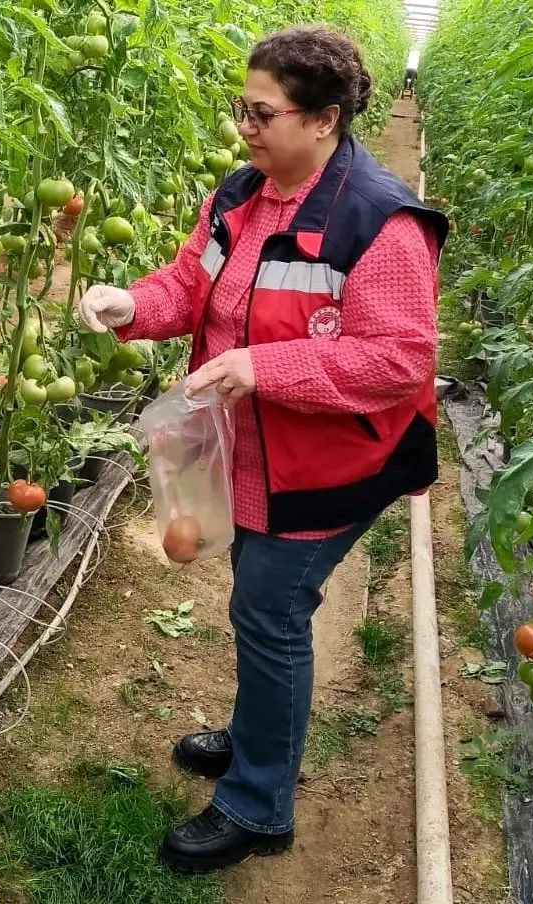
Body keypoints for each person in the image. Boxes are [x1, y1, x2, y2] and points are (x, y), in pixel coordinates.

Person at [79, 25, 447, 874]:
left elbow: (398, 361)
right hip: (254, 452)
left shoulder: (380, 221)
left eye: (262, 112)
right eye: (240, 109)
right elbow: (190, 284)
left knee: (269, 612)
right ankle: (252, 741)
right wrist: (131, 305)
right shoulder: (241, 193)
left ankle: (258, 805)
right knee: (258, 598)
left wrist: (261, 364)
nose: (244, 127)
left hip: (331, 467)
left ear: (324, 121)